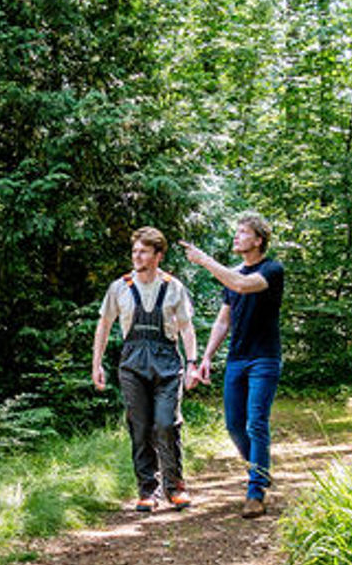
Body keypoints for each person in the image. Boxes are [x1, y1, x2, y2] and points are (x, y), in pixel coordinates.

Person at [179, 214, 284, 518]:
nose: (236, 237)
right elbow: (223, 320)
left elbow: (242, 285)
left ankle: (255, 492)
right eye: (236, 232)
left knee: (256, 423)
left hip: (264, 358)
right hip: (237, 358)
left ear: (259, 240)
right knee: (234, 426)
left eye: (243, 233)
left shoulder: (272, 270)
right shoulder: (233, 273)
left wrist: (204, 261)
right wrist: (206, 357)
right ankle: (259, 470)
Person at [91, 227, 200, 513]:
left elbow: (187, 328)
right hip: (132, 363)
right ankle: (147, 491)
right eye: (134, 251)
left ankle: (175, 486)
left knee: (165, 423)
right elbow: (104, 326)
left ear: (158, 255)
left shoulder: (173, 286)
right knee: (139, 428)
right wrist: (97, 364)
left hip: (167, 363)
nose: (136, 256)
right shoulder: (120, 287)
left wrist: (192, 364)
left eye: (143, 251)